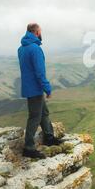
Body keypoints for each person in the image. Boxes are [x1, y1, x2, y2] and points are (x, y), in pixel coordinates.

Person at [18, 23, 62, 159]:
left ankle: (49, 137)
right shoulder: (35, 49)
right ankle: (29, 148)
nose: (41, 33)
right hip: (35, 88)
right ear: (36, 32)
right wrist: (47, 88)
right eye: (40, 31)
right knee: (34, 117)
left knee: (44, 112)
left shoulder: (21, 48)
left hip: (29, 86)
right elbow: (39, 72)